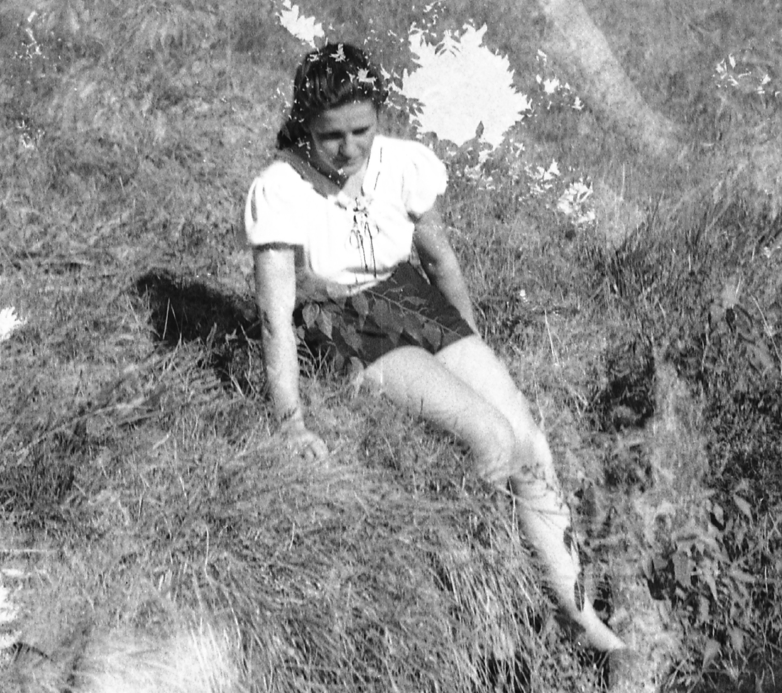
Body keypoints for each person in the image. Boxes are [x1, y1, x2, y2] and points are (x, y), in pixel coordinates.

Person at [246, 42, 623, 653]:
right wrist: (290, 421)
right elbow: (273, 320)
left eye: (361, 130)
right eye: (330, 135)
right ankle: (493, 581)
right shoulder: (280, 187)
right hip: (341, 318)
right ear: (305, 126)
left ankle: (584, 621)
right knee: (491, 438)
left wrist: (469, 345)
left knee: (531, 442)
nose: (348, 149)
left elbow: (438, 258)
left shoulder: (403, 165)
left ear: (379, 117)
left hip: (413, 301)